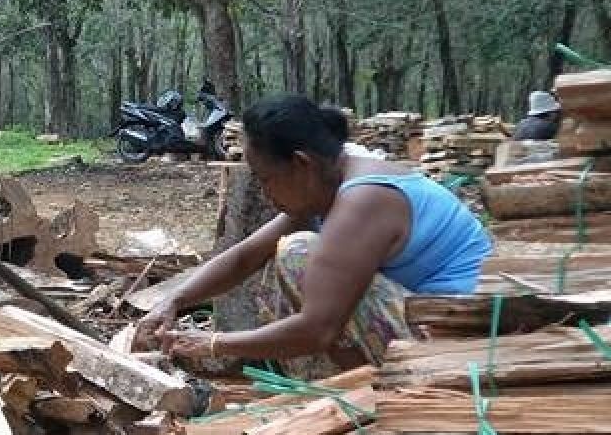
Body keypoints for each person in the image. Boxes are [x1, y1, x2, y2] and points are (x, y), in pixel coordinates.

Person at [133, 93, 493, 369]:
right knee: (288, 256)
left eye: (266, 180)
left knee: (298, 255)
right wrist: (173, 302)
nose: (268, 195)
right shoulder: (327, 183)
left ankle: (373, 397)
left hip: (460, 343)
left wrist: (214, 344)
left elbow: (318, 328)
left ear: (301, 164)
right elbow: (246, 257)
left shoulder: (362, 200)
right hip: (437, 322)